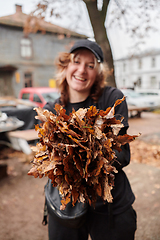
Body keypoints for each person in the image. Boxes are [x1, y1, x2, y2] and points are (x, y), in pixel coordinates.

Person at [43, 39, 137, 240]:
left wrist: (77, 154)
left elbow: (122, 155)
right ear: (65, 66)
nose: (82, 70)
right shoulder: (51, 111)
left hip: (110, 206)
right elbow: (48, 159)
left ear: (98, 73)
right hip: (65, 207)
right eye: (76, 62)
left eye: (90, 65)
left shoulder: (112, 99)